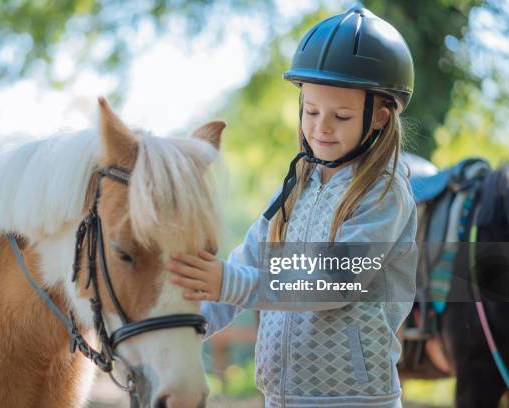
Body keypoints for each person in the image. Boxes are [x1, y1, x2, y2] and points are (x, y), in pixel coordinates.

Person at [167, 6, 418, 408]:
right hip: (280, 398)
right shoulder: (294, 188)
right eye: (312, 111)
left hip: (353, 400)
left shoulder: (384, 192)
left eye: (341, 115)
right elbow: (246, 264)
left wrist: (229, 281)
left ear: (379, 118)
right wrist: (180, 327)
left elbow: (335, 281)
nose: (321, 128)